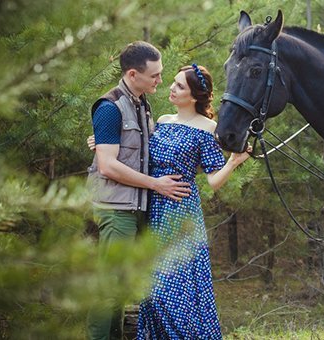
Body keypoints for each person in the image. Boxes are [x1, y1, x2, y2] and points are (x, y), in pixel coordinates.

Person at [135, 64, 251, 339]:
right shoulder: (162, 121)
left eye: (179, 86)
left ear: (196, 96)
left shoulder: (209, 129)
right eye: (173, 83)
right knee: (151, 290)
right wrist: (102, 142)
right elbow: (139, 153)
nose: (171, 89)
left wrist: (233, 162)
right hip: (153, 209)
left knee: (172, 289)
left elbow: (213, 181)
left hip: (181, 214)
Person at [86, 41, 191, 340]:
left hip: (137, 208)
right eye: (155, 75)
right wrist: (156, 184)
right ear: (133, 74)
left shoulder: (142, 104)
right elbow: (108, 166)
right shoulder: (110, 107)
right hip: (117, 210)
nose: (160, 80)